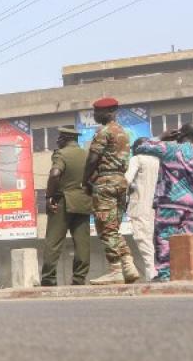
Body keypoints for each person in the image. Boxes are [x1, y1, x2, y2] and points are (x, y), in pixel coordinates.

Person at [135, 122, 193, 282]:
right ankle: (186, 273)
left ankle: (165, 275)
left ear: (181, 133)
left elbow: (140, 147)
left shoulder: (170, 149)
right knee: (186, 239)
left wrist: (161, 137)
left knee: (165, 238)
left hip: (170, 203)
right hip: (191, 205)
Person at [82, 98, 139, 285]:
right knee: (113, 228)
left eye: (97, 112)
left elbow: (92, 159)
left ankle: (115, 270)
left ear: (108, 112)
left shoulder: (103, 132)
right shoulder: (124, 133)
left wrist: (85, 181)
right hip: (121, 182)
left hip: (105, 182)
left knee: (105, 229)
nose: (95, 116)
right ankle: (128, 266)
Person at [40, 126, 93, 286]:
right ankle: (79, 278)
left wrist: (49, 197)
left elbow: (55, 174)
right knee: (82, 242)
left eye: (58, 138)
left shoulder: (61, 154)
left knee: (53, 242)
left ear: (64, 138)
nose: (57, 141)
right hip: (83, 201)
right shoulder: (87, 155)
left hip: (63, 201)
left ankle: (49, 279)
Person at [124, 137, 161, 280]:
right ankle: (155, 273)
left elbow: (127, 179)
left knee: (143, 240)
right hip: (154, 207)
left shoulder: (137, 159)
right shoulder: (157, 161)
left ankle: (151, 275)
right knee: (152, 241)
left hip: (139, 205)